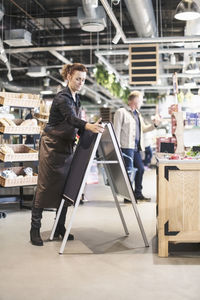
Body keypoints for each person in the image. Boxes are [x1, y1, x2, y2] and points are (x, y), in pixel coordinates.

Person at [30, 63, 104, 246]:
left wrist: (84, 132)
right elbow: (71, 119)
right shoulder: (63, 98)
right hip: (52, 147)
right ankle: (34, 229)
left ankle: (59, 227)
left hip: (66, 148)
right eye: (78, 78)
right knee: (44, 187)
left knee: (65, 188)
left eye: (83, 80)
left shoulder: (75, 98)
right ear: (69, 76)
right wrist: (87, 126)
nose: (80, 83)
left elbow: (74, 125)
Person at [113, 90, 160, 203]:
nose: (142, 102)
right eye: (140, 100)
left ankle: (138, 194)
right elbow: (116, 131)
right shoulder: (121, 112)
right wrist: (117, 148)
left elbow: (143, 129)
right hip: (126, 148)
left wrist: (155, 125)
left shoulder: (137, 114)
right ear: (133, 100)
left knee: (140, 169)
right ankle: (128, 196)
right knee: (129, 172)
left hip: (136, 149)